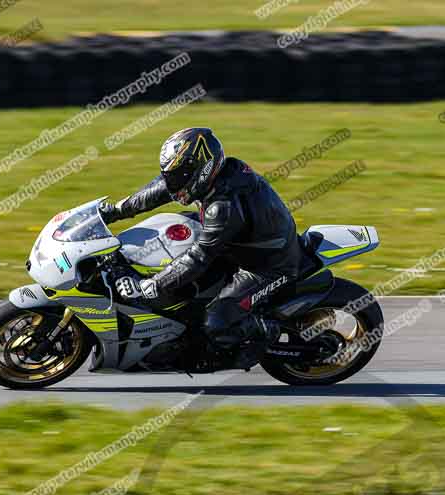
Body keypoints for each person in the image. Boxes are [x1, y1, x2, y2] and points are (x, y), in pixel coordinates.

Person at [99, 127, 300, 368]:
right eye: (170, 175)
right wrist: (115, 211)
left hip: (266, 265)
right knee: (167, 234)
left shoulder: (222, 206)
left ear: (200, 169)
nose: (173, 183)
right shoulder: (212, 179)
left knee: (214, 322)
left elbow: (199, 257)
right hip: (236, 242)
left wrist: (153, 285)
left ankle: (266, 332)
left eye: (178, 176)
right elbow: (159, 190)